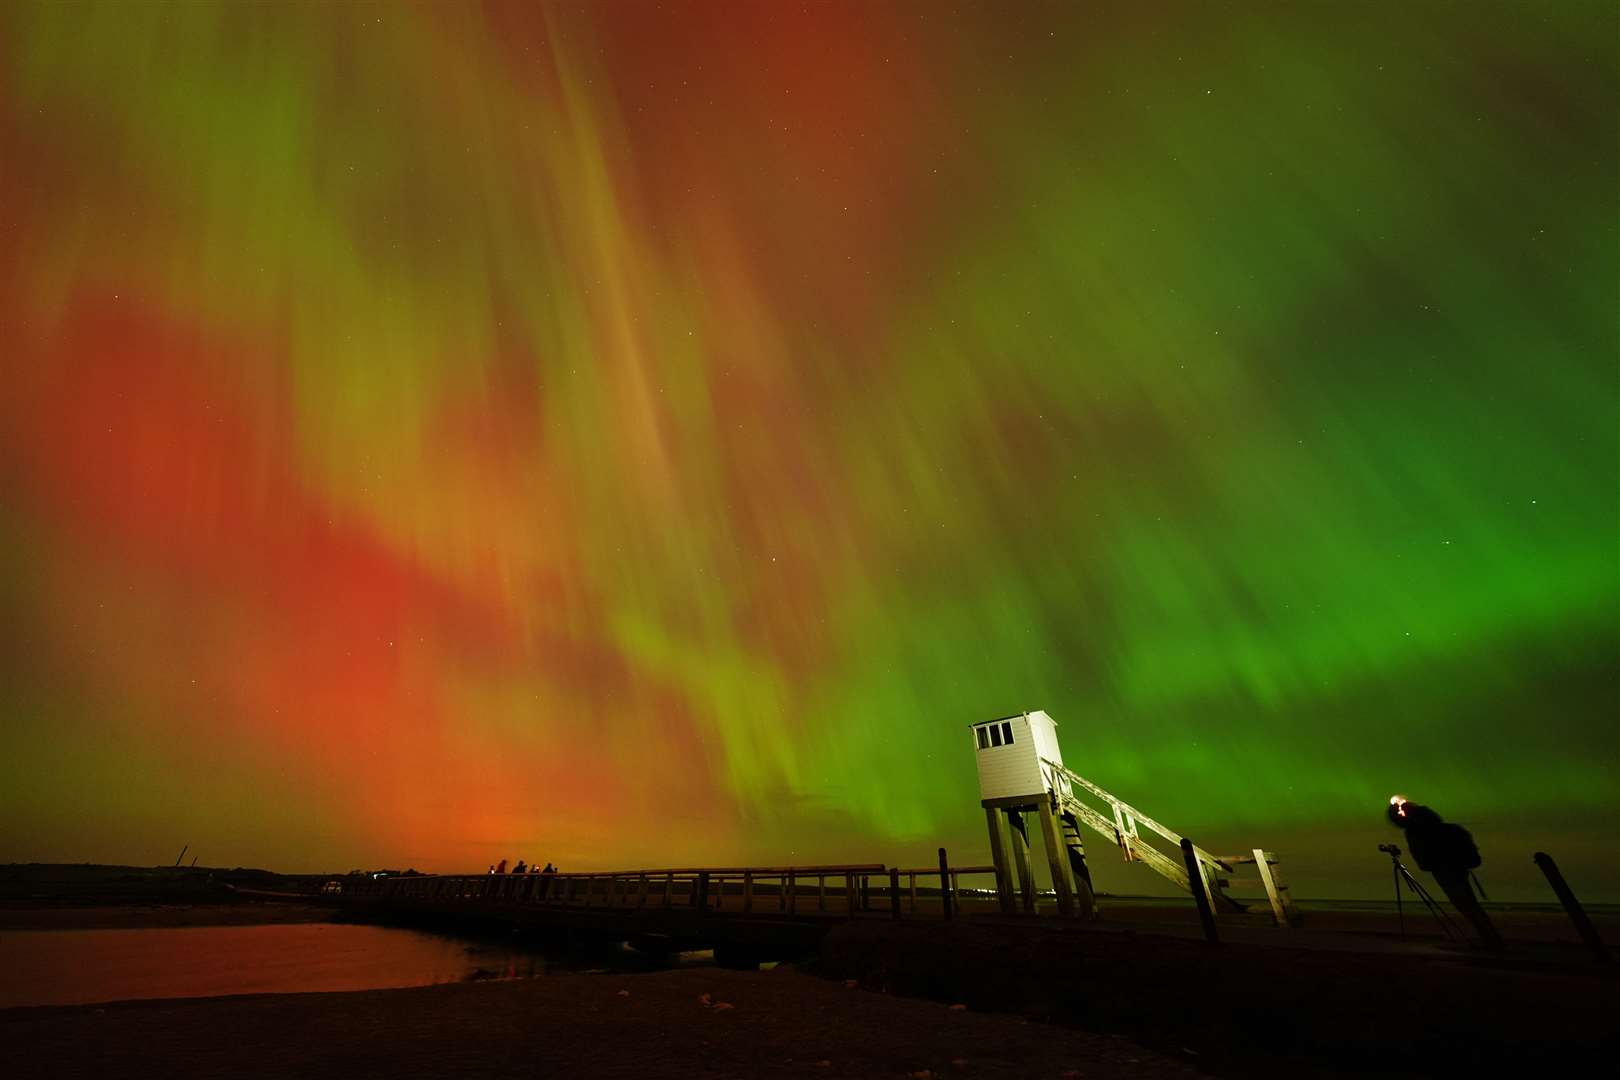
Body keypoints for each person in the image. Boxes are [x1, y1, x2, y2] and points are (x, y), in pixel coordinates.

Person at [1387, 796, 1503, 950]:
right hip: (1457, 868)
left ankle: (1491, 941)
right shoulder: (1436, 824)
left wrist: (1394, 811)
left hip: (1444, 870)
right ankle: (1492, 938)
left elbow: (1402, 823)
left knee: (1467, 907)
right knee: (1471, 906)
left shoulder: (1418, 829)